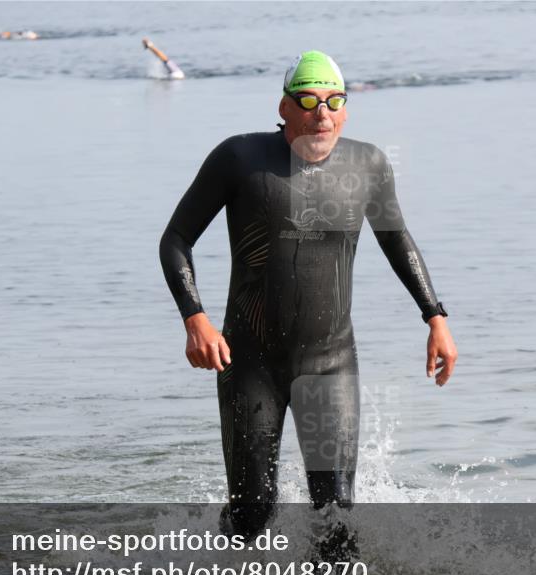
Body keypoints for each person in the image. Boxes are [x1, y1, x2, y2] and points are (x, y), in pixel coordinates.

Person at [160, 51, 457, 541]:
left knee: (338, 514)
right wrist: (196, 318)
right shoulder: (239, 158)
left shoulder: (368, 164)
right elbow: (175, 239)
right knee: (254, 515)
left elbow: (396, 239)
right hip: (250, 363)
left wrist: (435, 318)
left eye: (333, 101)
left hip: (330, 363)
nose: (322, 113)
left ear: (345, 109)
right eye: (308, 100)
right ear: (284, 107)